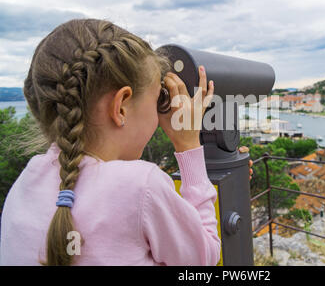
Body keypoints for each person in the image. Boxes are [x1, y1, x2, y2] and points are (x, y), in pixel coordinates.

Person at [0, 18, 252, 266]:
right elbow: (203, 258)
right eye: (157, 99)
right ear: (120, 106)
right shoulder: (141, 186)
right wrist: (188, 145)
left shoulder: (25, 183)